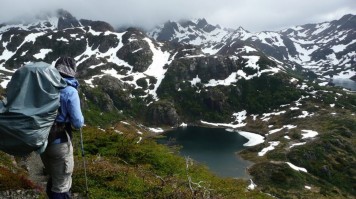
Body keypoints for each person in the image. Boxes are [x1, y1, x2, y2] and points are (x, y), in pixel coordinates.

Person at [41, 57, 84, 199]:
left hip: (41, 139)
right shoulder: (70, 91)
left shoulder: (44, 86)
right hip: (59, 141)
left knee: (54, 177)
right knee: (62, 185)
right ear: (72, 71)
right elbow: (77, 122)